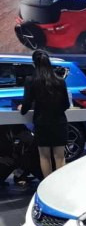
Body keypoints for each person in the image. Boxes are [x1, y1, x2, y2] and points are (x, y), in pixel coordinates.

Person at [18, 50, 69, 178]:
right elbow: (66, 105)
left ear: (34, 63)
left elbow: (26, 104)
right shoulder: (60, 80)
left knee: (44, 157)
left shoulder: (31, 80)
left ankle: (48, 185)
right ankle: (61, 184)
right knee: (60, 157)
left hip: (42, 122)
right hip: (59, 122)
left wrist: (22, 108)